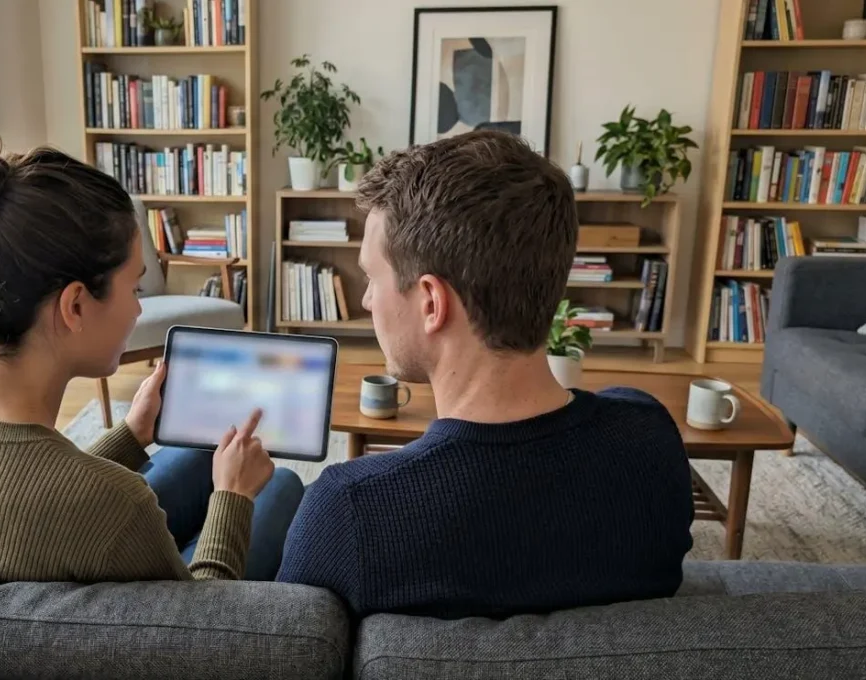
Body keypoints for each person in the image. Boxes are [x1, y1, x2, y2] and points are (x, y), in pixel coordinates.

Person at [275, 130, 694, 619]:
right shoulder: (653, 442)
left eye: (372, 278)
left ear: (431, 302)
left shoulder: (350, 512)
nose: (368, 299)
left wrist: (234, 500)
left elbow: (289, 643)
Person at [0, 120, 304, 583]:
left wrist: (132, 433)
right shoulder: (114, 503)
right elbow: (199, 630)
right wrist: (232, 499)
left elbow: (34, 495)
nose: (139, 307)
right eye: (134, 285)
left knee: (208, 454)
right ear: (76, 305)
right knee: (278, 485)